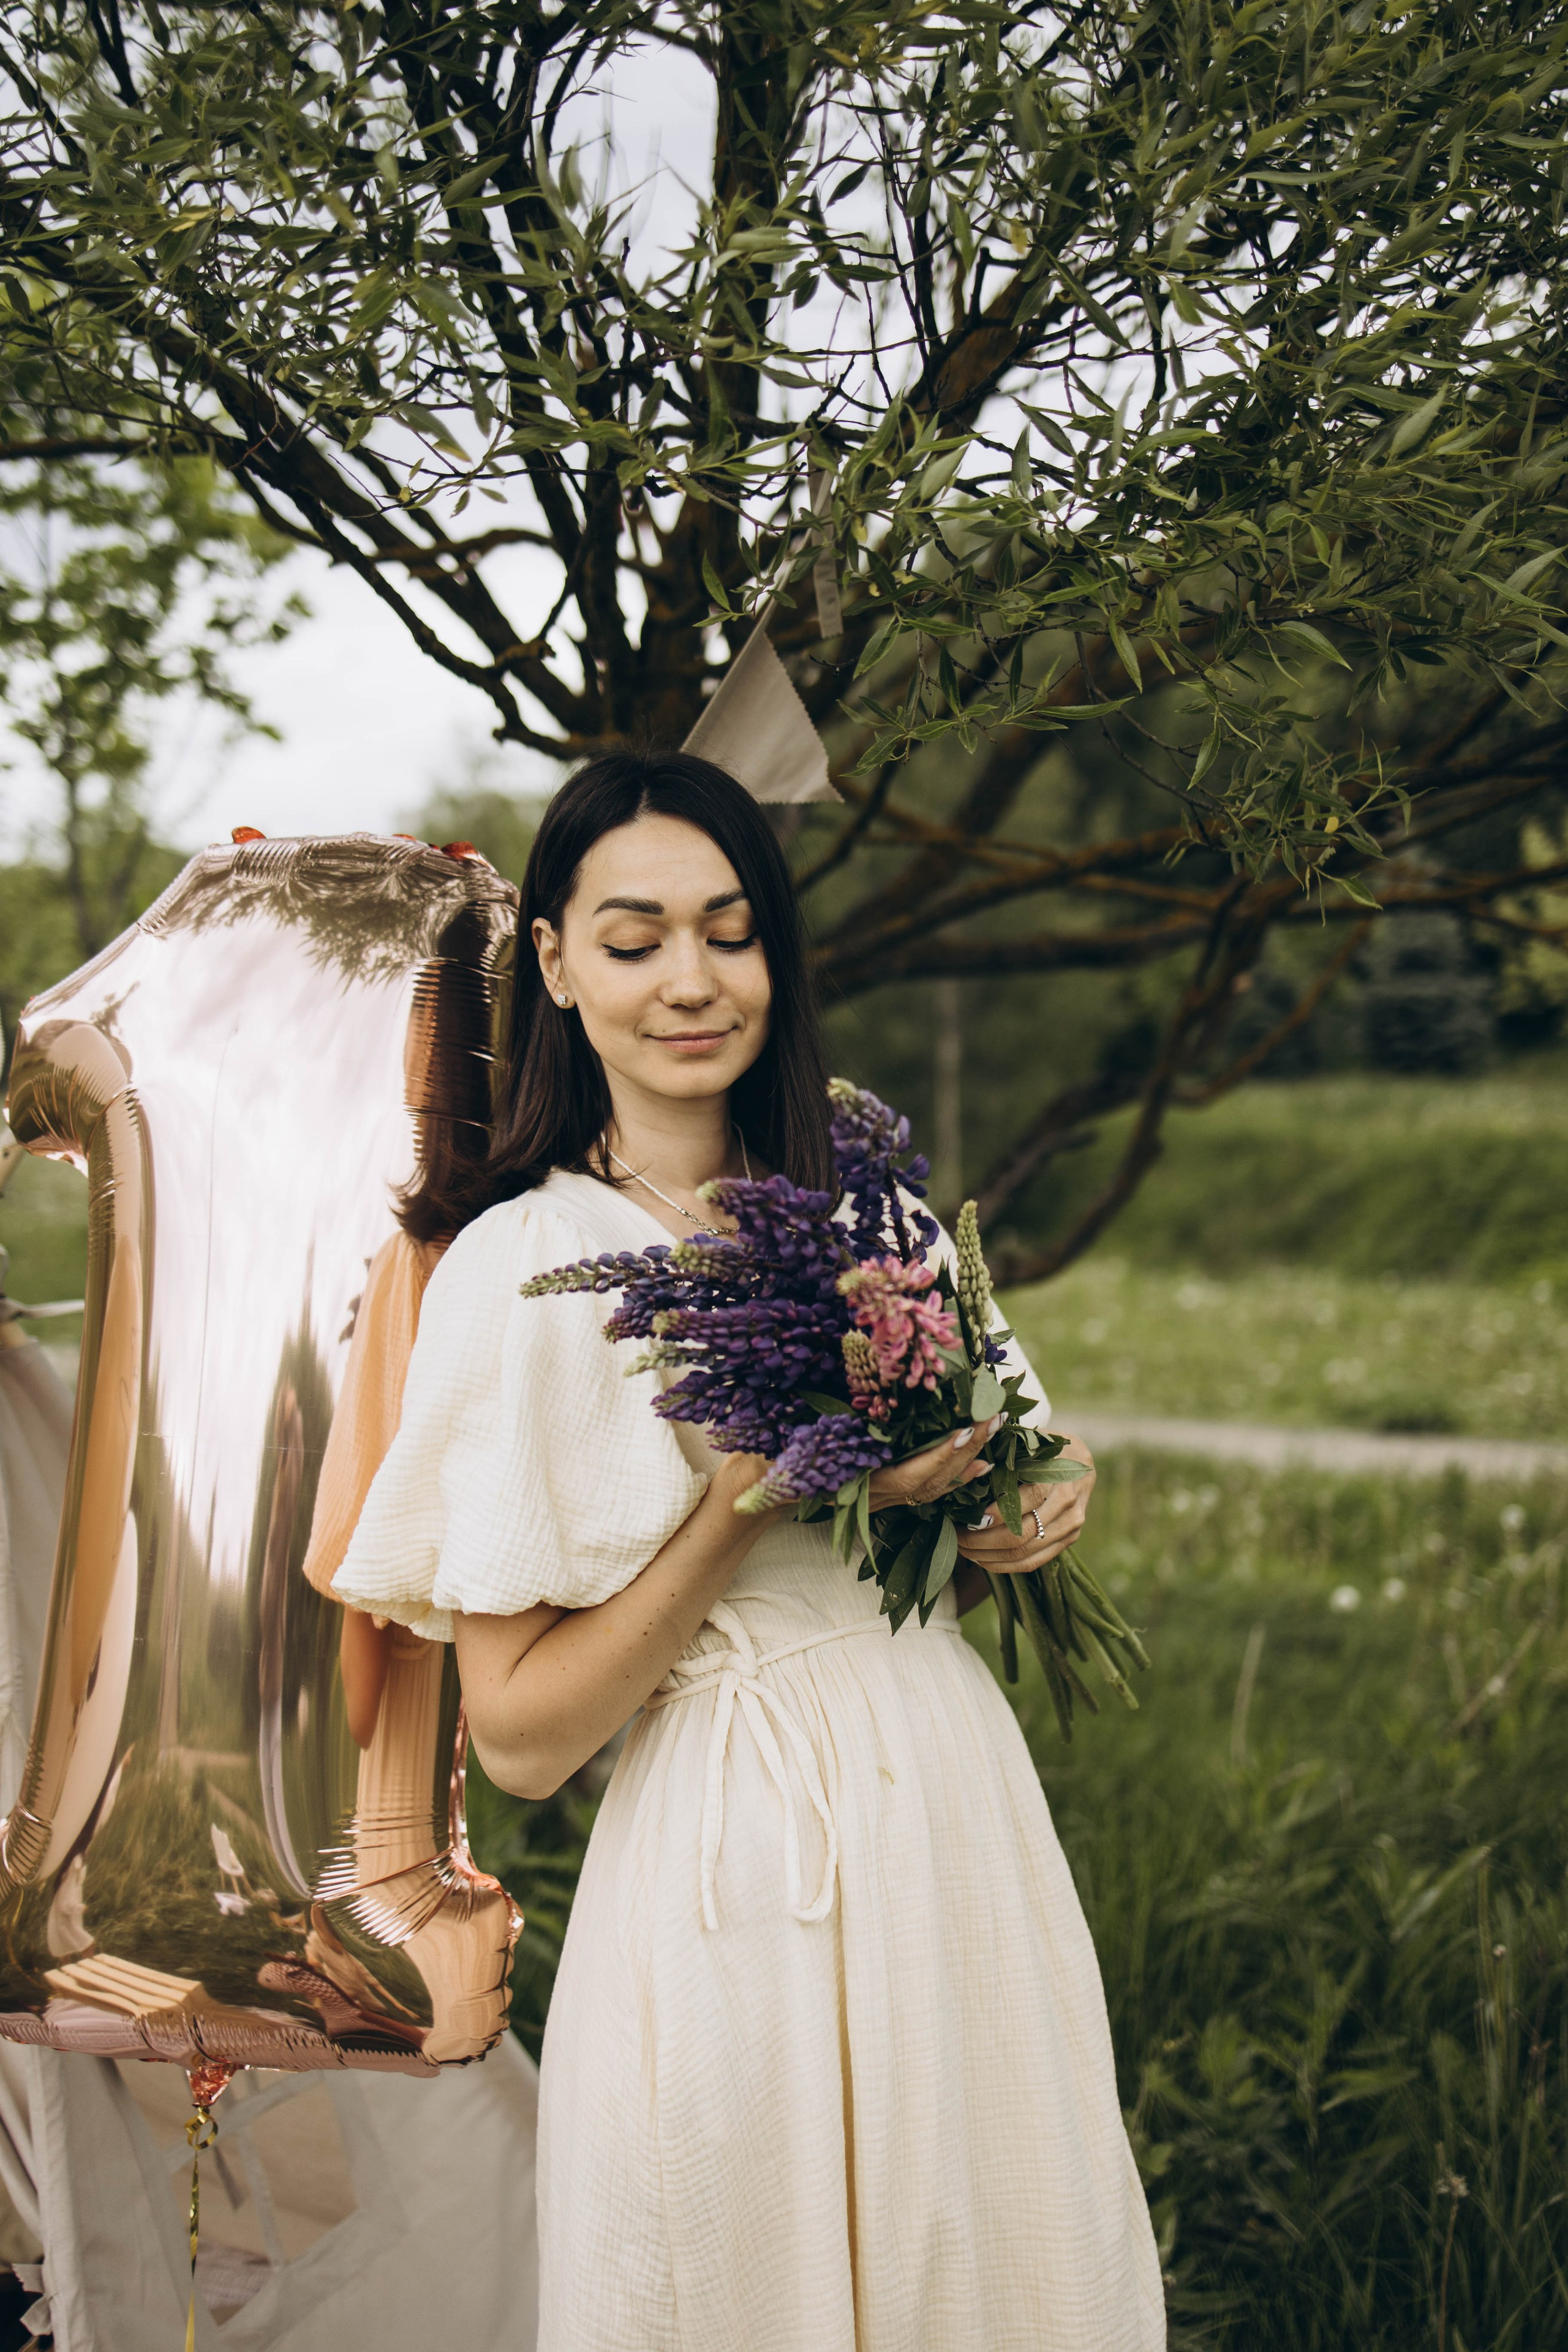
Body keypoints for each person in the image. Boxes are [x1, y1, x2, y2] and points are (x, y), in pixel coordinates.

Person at [332, 750, 1166, 2352]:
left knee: (989, 2264)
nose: (694, 981)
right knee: (729, 2266)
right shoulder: (524, 1267)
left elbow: (987, 1474)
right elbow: (517, 1740)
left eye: (731, 931)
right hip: (732, 1851)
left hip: (949, 1803)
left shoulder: (865, 1206)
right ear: (558, 966)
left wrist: (1017, 1510)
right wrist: (734, 1508)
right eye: (636, 941)